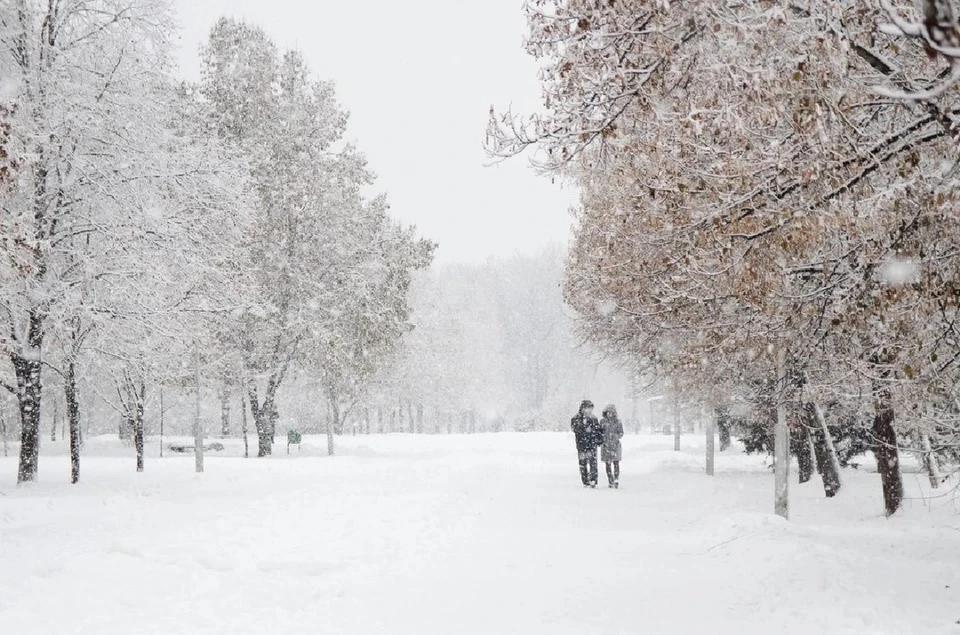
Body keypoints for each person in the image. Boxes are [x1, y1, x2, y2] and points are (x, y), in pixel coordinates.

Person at [571, 400, 602, 487]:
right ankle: (585, 481)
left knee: (593, 463)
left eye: (591, 408)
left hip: (592, 444)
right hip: (581, 444)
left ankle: (593, 480)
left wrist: (599, 439)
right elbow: (575, 429)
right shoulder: (576, 418)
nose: (589, 410)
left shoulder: (594, 418)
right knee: (583, 464)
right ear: (583, 408)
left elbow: (598, 430)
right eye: (588, 408)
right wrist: (584, 429)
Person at [600, 404, 624, 488]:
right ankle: (610, 479)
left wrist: (615, 436)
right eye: (608, 412)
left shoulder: (618, 422)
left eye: (611, 412)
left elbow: (621, 432)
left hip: (615, 445)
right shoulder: (602, 422)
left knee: (616, 462)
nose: (610, 414)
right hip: (606, 445)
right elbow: (600, 432)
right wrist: (603, 438)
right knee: (607, 464)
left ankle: (616, 478)